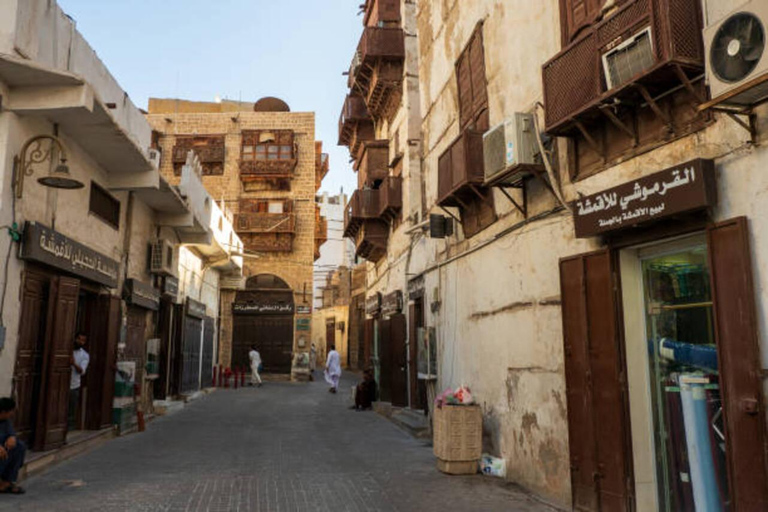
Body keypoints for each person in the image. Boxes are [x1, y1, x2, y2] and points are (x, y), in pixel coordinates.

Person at [0, 397, 26, 495]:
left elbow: (10, 432)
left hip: (3, 450)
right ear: (3, 412)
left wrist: (12, 437)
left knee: (19, 446)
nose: (12, 414)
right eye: (11, 411)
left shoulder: (5, 421)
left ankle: (7, 482)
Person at [69, 332, 90, 430]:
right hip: (61, 385)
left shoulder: (84, 355)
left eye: (83, 340)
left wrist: (73, 364)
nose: (80, 342)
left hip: (74, 385)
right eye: (79, 339)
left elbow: (82, 371)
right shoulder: (68, 350)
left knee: (71, 409)